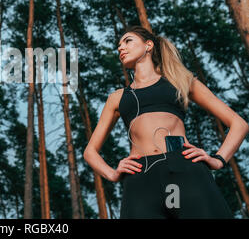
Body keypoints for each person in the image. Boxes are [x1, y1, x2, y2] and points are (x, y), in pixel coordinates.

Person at [83, 26, 249, 219]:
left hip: (183, 167)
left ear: (148, 45)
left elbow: (239, 124)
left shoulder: (181, 81)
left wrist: (218, 159)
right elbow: (90, 152)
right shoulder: (117, 98)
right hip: (140, 177)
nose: (120, 47)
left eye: (127, 41)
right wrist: (112, 174)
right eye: (119, 45)